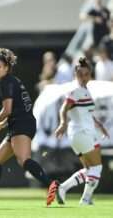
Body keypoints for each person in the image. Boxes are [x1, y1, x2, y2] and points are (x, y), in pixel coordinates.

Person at [0, 46, 58, 207]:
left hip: (22, 124)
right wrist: (0, 125)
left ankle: (50, 183)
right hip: (18, 123)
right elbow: (14, 111)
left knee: (23, 160)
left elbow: (7, 109)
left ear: (7, 67)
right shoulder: (10, 81)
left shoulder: (6, 82)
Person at [55, 57, 109, 205]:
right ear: (75, 75)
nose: (83, 77)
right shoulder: (76, 90)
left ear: (90, 74)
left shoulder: (85, 91)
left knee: (89, 169)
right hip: (83, 133)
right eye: (80, 74)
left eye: (86, 74)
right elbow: (64, 108)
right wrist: (62, 123)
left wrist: (100, 125)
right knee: (97, 168)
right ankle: (85, 200)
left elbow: (86, 113)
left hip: (78, 134)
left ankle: (63, 188)